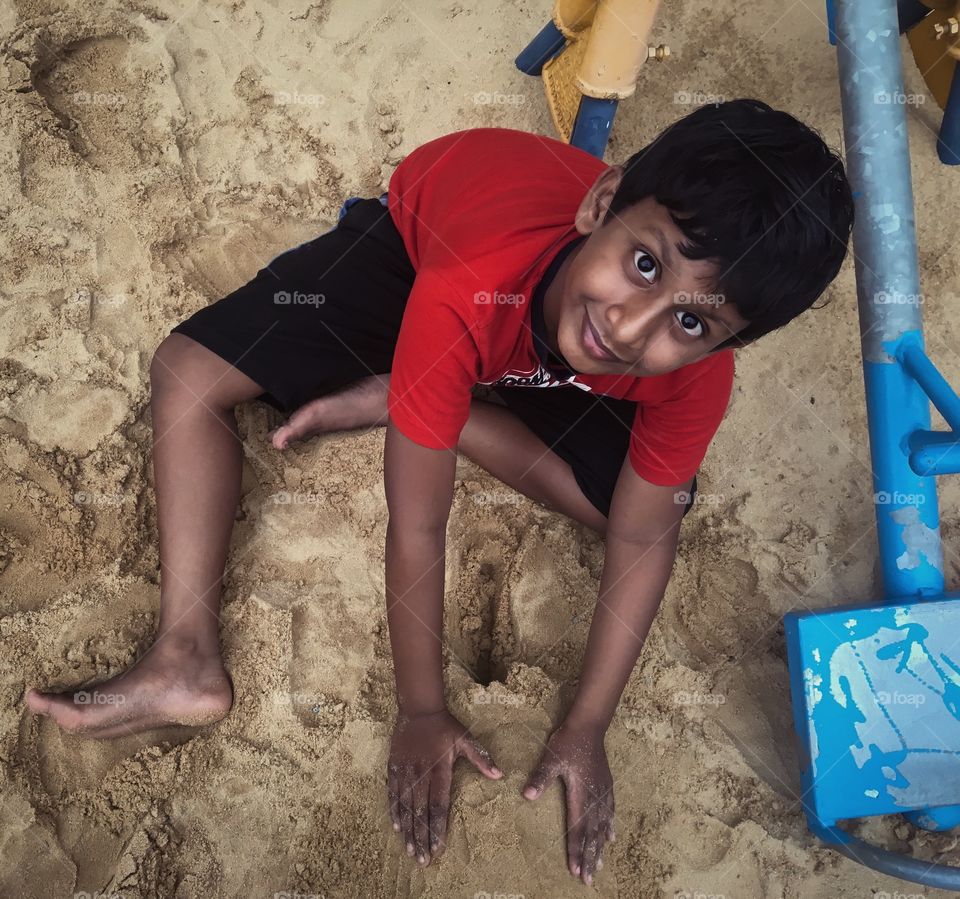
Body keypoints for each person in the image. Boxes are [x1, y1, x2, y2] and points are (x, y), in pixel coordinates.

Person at [26, 99, 854, 886]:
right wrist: (422, 709)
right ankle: (184, 656)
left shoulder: (682, 374)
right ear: (603, 202)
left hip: (516, 343)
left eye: (693, 322)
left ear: (726, 343)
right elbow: (418, 522)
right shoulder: (467, 284)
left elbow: (642, 539)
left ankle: (427, 398)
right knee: (188, 372)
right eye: (646, 263)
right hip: (429, 255)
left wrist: (586, 725)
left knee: (650, 506)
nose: (632, 327)